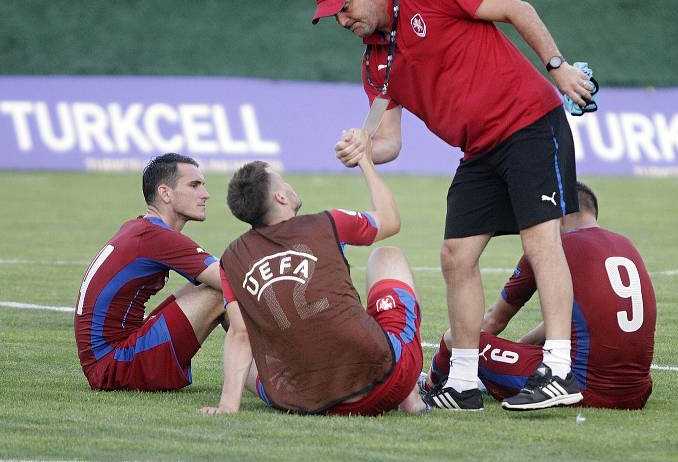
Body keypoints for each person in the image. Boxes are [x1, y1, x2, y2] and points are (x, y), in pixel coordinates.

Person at [311, 0, 596, 410]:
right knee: (455, 256)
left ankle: (560, 369)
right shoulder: (376, 64)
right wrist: (360, 146)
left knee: (541, 240)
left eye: (344, 7)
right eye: (333, 16)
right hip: (479, 151)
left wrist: (557, 67)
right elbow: (387, 142)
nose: (343, 20)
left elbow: (518, 9)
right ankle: (463, 381)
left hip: (529, 123)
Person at [200, 130, 427, 416]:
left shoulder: (232, 258)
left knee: (250, 364)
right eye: (283, 180)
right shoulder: (326, 223)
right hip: (383, 381)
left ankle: (259, 396)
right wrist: (365, 161)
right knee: (387, 255)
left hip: (307, 401)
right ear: (281, 197)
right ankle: (412, 399)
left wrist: (227, 405)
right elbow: (390, 220)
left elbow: (240, 334)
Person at [423, 182, 657, 410]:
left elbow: (494, 320)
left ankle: (430, 385)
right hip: (637, 392)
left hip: (581, 385)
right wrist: (518, 350)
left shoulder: (552, 247)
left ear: (559, 213)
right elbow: (582, 321)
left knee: (457, 337)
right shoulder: (625, 244)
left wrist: (498, 356)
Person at [74, 153, 225, 391]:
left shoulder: (142, 228)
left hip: (108, 360)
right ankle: (273, 377)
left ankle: (269, 375)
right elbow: (232, 280)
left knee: (208, 286)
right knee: (220, 292)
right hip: (113, 366)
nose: (205, 194)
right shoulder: (157, 237)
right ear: (165, 193)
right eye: (194, 185)